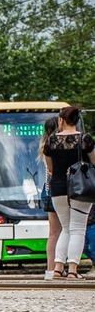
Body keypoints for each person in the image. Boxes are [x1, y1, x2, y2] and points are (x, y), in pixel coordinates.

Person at [42, 105, 94, 280]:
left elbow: (50, 168)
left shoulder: (51, 141)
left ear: (61, 120)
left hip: (57, 188)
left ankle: (57, 268)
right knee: (78, 229)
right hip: (80, 188)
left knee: (65, 228)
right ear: (77, 121)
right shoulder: (85, 139)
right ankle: (72, 270)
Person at [40, 116, 61, 280]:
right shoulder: (59, 144)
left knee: (53, 233)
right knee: (65, 230)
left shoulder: (45, 145)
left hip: (47, 190)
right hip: (58, 189)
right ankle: (59, 268)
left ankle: (50, 269)